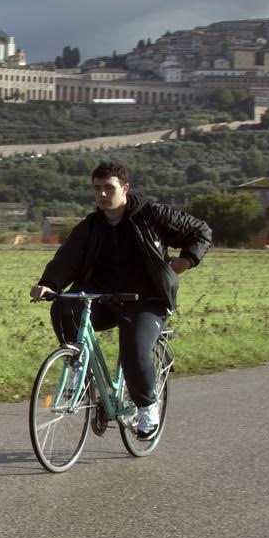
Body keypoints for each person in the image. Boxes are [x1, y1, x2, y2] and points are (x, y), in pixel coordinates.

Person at [30, 161, 211, 439]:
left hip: (147, 299)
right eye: (97, 189)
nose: (102, 194)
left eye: (109, 188)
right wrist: (48, 284)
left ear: (124, 189)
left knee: (134, 351)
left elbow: (201, 231)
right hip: (103, 298)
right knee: (65, 306)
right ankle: (78, 369)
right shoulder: (91, 226)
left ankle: (147, 407)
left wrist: (184, 262)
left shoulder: (151, 215)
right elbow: (67, 258)